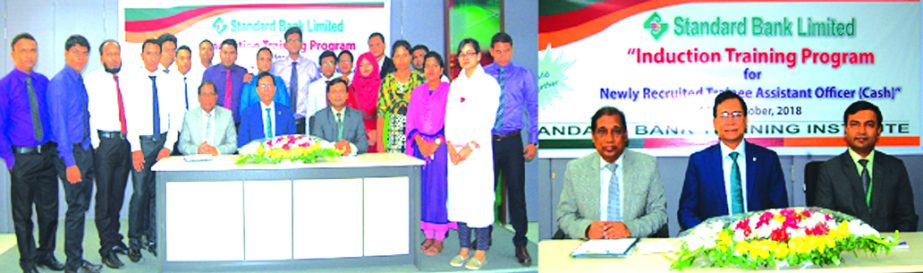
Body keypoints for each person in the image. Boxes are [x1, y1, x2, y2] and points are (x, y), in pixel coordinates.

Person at [678, 91, 789, 231]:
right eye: (724, 115)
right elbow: (686, 211)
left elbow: (780, 211)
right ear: (715, 123)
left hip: (758, 243)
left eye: (737, 114)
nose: (731, 121)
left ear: (746, 120)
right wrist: (706, 235)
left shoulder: (767, 160)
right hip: (714, 244)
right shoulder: (699, 162)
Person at [1, 33, 66, 273]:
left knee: (49, 212)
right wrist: (10, 160)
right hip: (22, 159)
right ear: (13, 54)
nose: (29, 55)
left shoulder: (43, 82)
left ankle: (45, 254)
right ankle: (27, 261)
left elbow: (50, 117)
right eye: (24, 50)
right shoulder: (4, 85)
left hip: (46, 156)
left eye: (33, 50)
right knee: (23, 215)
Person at [556, 106, 668, 241]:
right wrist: (587, 229)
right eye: (602, 132)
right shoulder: (576, 169)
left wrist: (630, 229)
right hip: (590, 247)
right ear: (593, 136)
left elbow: (659, 213)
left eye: (616, 131)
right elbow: (565, 215)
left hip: (633, 244)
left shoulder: (647, 165)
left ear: (625, 135)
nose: (609, 139)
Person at [123, 38, 185, 262]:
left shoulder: (170, 80)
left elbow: (176, 114)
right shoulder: (131, 79)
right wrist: (135, 148)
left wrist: (169, 145)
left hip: (162, 143)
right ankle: (134, 241)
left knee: (157, 194)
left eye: (156, 53)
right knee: (139, 193)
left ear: (161, 56)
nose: (152, 57)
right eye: (148, 53)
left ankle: (153, 238)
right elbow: (129, 116)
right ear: (142, 55)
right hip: (142, 143)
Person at [47, 34, 104, 273]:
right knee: (75, 208)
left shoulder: (78, 80)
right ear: (66, 53)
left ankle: (77, 258)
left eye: (84, 53)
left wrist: (89, 144)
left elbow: (83, 116)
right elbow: (59, 126)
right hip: (69, 155)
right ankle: (72, 265)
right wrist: (70, 163)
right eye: (76, 52)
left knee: (80, 207)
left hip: (83, 151)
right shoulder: (60, 82)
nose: (81, 57)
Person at [816, 101, 918, 232]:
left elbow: (907, 218)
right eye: (854, 124)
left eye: (869, 125)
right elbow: (824, 221)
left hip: (889, 246)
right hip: (848, 247)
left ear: (879, 130)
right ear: (845, 129)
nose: (862, 131)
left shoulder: (895, 167)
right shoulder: (830, 170)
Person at [483, 32, 539, 265]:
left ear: (512, 50)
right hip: (487, 141)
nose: (502, 55)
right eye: (498, 51)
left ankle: (521, 243)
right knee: (485, 192)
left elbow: (533, 107)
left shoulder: (523, 75)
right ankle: (483, 238)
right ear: (491, 51)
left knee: (516, 193)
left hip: (513, 141)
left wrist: (533, 140)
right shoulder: (483, 75)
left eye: (506, 50)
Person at [445, 38, 500, 270]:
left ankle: (480, 251)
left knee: (479, 200)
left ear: (479, 56)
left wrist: (469, 148)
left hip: (476, 153)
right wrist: (450, 146)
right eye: (461, 53)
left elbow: (487, 119)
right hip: (455, 154)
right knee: (460, 200)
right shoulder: (455, 84)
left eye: (470, 53)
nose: (465, 57)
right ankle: (463, 248)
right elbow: (448, 117)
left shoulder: (488, 84)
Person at [84, 39, 131, 269]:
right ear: (101, 57)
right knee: (104, 197)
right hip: (104, 144)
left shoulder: (126, 78)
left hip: (124, 143)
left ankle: (114, 238)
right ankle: (106, 248)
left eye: (117, 53)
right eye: (109, 54)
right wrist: (96, 144)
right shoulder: (92, 80)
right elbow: (88, 112)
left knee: (117, 194)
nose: (114, 57)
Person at [405, 51, 453, 256]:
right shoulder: (417, 91)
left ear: (441, 69)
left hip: (440, 147)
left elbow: (452, 120)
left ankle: (439, 236)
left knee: (438, 190)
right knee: (423, 189)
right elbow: (411, 120)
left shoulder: (449, 91)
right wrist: (420, 143)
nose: (431, 70)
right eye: (427, 66)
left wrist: (436, 143)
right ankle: (428, 233)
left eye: (435, 66)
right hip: (419, 147)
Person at [377, 40, 425, 153]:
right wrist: (380, 142)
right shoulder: (387, 81)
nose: (401, 60)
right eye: (397, 56)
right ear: (393, 59)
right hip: (393, 132)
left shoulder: (420, 79)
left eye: (405, 55)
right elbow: (381, 113)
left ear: (410, 57)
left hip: (416, 131)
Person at [273, 27, 321, 134]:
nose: (294, 43)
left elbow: (318, 91)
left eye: (297, 40)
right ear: (285, 45)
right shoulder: (276, 67)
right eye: (290, 40)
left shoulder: (311, 66)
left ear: (302, 44)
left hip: (304, 119)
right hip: (281, 118)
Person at [238, 72, 297, 147]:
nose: (266, 89)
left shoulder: (286, 112)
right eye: (262, 86)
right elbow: (243, 142)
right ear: (257, 90)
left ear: (275, 89)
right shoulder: (248, 113)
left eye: (269, 85)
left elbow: (292, 140)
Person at [310, 78, 367, 155]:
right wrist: (334, 147)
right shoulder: (319, 117)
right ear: (328, 96)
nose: (338, 95)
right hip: (328, 162)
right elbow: (316, 143)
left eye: (341, 91)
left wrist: (350, 148)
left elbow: (363, 145)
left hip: (351, 162)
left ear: (347, 95)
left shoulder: (356, 116)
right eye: (334, 92)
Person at [179, 81, 237, 156]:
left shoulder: (227, 115)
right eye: (204, 94)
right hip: (196, 161)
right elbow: (182, 145)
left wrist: (217, 150)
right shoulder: (189, 116)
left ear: (216, 97)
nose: (208, 98)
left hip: (219, 161)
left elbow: (233, 144)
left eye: (211, 94)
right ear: (198, 97)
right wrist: (197, 150)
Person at [202, 39, 249, 125]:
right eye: (225, 52)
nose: (228, 57)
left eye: (231, 53)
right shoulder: (209, 73)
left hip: (237, 123)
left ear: (236, 55)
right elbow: (204, 98)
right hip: (215, 123)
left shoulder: (243, 73)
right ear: (220, 54)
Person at [347, 52, 381, 153]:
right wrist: (365, 133)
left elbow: (386, 114)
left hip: (380, 135)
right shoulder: (351, 89)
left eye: (368, 64)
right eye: (361, 65)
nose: (365, 67)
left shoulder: (384, 87)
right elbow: (349, 115)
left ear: (374, 65)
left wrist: (378, 134)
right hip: (357, 135)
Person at [239, 47, 289, 115]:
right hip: (253, 123)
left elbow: (285, 107)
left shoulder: (278, 82)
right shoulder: (250, 81)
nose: (265, 62)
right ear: (257, 62)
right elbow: (243, 109)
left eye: (268, 59)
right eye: (262, 59)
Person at [306, 50, 342, 134]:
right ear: (320, 66)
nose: (328, 66)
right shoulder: (313, 87)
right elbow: (311, 113)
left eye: (331, 63)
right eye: (325, 63)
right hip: (320, 129)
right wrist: (309, 135)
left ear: (335, 65)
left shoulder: (343, 83)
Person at [176, 45, 203, 111]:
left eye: (188, 58)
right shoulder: (169, 80)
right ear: (176, 60)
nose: (186, 61)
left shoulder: (199, 79)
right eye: (182, 58)